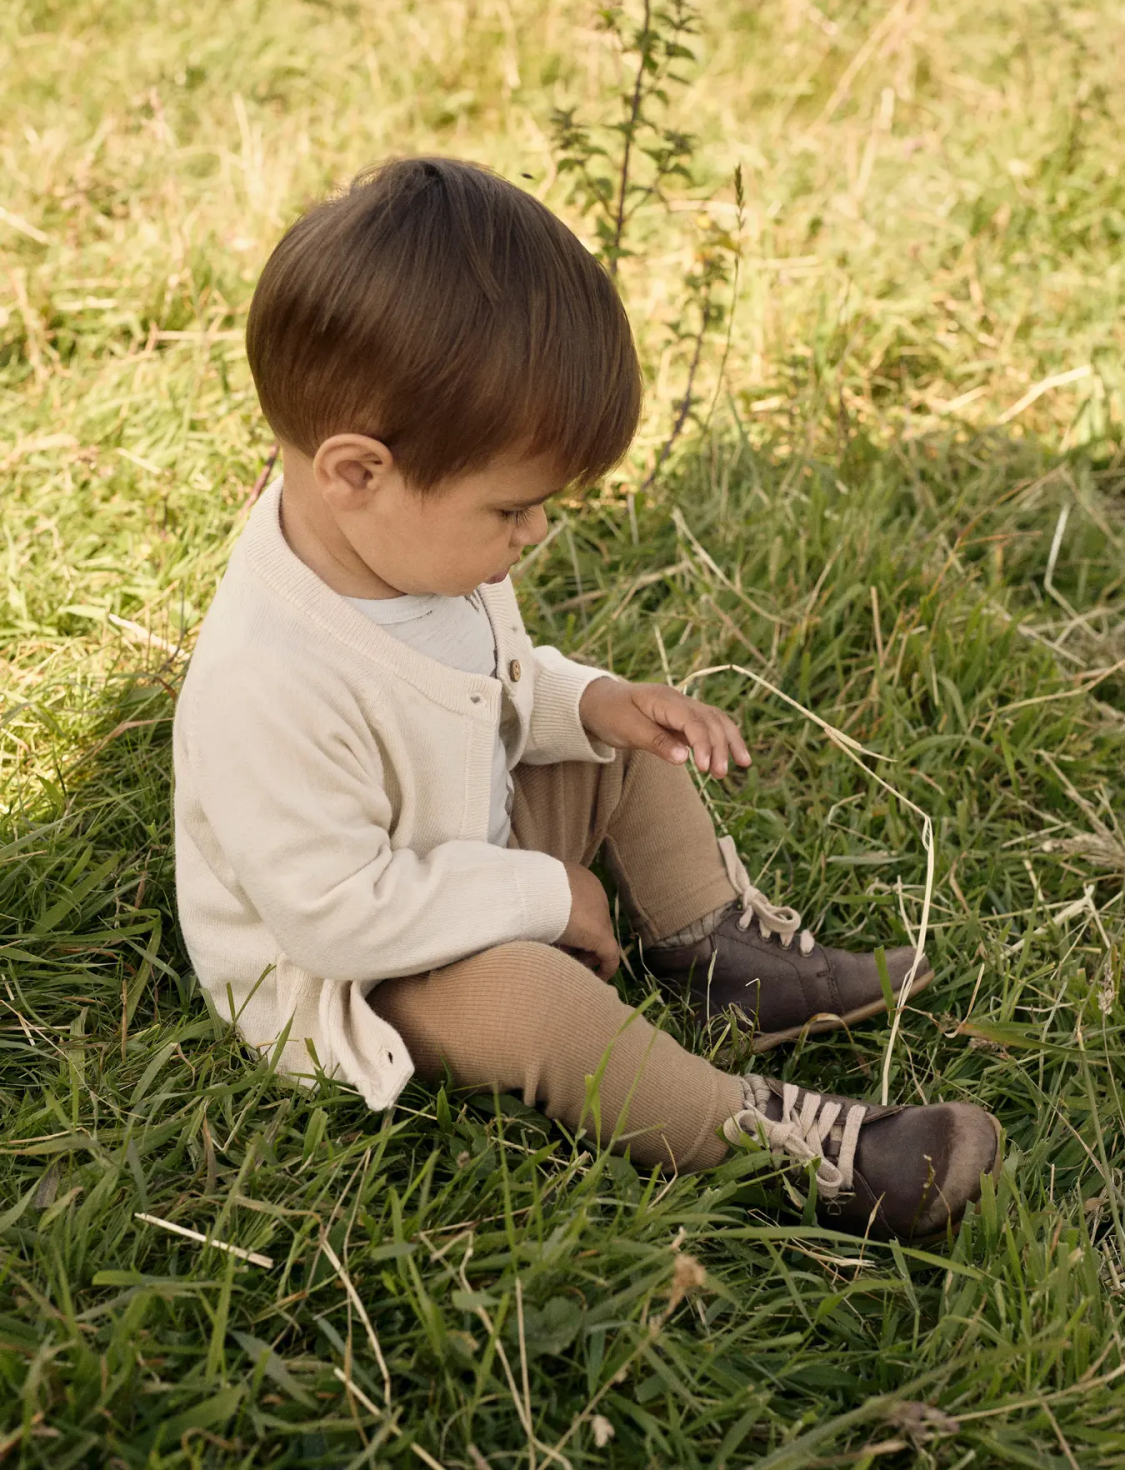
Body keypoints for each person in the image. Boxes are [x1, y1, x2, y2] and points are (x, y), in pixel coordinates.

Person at [173, 157, 1001, 1242]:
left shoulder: (407, 556)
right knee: (532, 1001)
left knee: (626, 744)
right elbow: (336, 915)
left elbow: (483, 687)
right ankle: (777, 1141)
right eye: (513, 509)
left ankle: (721, 960)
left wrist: (589, 702)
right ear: (356, 473)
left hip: (448, 843)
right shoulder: (265, 682)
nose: (535, 535)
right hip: (354, 973)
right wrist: (545, 893)